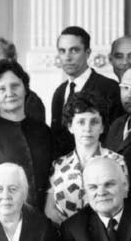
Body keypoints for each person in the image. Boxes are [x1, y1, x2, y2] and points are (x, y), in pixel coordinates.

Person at [0, 60, 54, 212]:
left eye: (15, 86)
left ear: (25, 88)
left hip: (46, 218)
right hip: (3, 218)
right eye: (1, 89)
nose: (9, 93)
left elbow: (52, 179)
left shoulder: (43, 131)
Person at [45, 94, 128, 225]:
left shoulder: (116, 161)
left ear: (102, 127)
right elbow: (50, 210)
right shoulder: (58, 164)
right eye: (81, 122)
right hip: (63, 233)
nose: (87, 129)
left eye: (94, 122)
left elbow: (121, 206)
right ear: (70, 126)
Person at [50, 26, 120, 156]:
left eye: (74, 50)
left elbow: (114, 138)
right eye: (62, 51)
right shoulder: (59, 92)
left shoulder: (109, 88)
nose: (67, 57)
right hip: (66, 165)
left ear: (87, 53)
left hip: (100, 163)